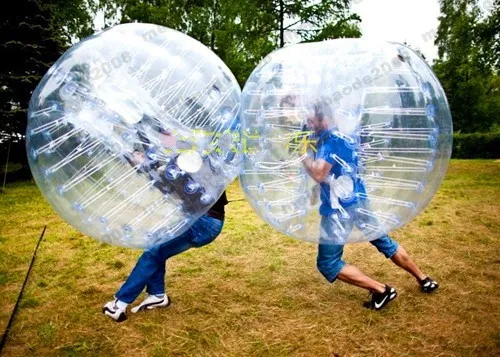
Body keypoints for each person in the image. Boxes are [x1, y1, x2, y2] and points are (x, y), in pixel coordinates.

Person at [301, 100, 439, 311]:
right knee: (383, 241)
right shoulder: (341, 137)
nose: (309, 124)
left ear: (325, 119)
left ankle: (381, 290)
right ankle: (423, 279)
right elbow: (338, 172)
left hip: (339, 211)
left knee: (328, 263)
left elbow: (319, 173)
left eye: (312, 120)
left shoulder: (331, 142)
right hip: (359, 200)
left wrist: (303, 156)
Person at [103, 191, 227, 322]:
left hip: (202, 222)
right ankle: (157, 295)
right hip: (199, 218)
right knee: (157, 249)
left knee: (153, 252)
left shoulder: (199, 170)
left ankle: (119, 304)